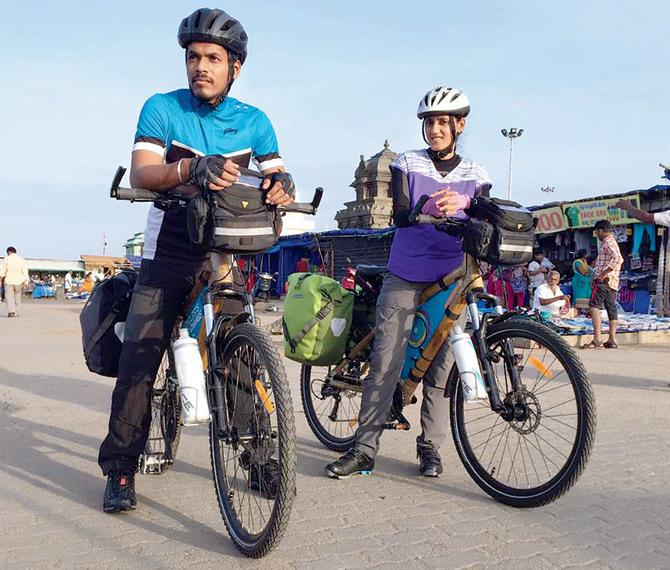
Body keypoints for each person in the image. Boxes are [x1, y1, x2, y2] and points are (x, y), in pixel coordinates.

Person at [98, 7, 295, 514]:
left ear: (235, 66)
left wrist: (281, 185)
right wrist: (189, 167)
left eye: (212, 57)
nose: (200, 66)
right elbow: (143, 173)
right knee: (140, 359)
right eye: (193, 57)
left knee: (240, 355)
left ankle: (255, 456)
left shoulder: (256, 121)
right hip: (171, 245)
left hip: (226, 247)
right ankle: (121, 467)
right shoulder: (162, 108)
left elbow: (277, 173)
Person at [325, 86, 492, 479]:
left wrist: (468, 205)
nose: (435, 130)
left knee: (440, 364)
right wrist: (425, 207)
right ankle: (364, 448)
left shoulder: (476, 173)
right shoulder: (407, 162)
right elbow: (400, 214)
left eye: (442, 123)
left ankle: (430, 447)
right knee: (387, 357)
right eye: (429, 122)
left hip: (453, 273)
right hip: (406, 270)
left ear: (459, 126)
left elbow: (485, 215)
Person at [582, 220, 624, 349]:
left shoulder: (608, 242)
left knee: (594, 307)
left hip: (604, 281)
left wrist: (602, 274)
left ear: (600, 231)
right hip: (612, 282)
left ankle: (597, 339)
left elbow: (618, 259)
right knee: (611, 309)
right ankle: (611, 339)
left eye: (597, 232)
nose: (597, 235)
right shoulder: (611, 242)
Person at [0, 247, 29, 317]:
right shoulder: (21, 260)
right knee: (17, 296)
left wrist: (0, 280)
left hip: (8, 280)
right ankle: (16, 311)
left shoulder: (6, 259)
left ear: (9, 252)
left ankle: (11, 311)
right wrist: (26, 282)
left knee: (9, 297)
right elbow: (25, 272)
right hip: (19, 281)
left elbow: (2, 271)